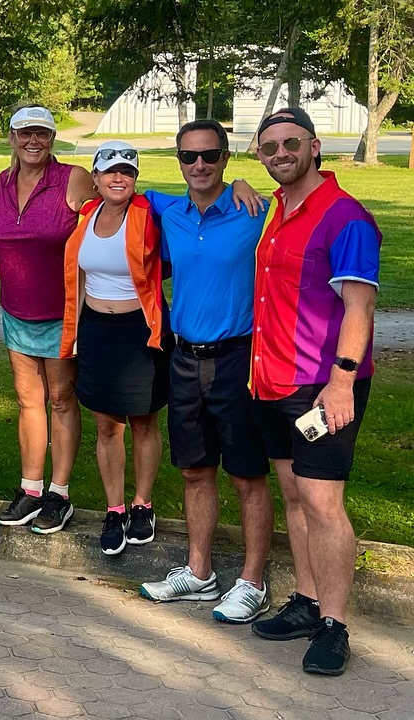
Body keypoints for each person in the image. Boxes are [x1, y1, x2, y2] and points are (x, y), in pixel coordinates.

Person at [247, 107, 380, 677]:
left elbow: (361, 306)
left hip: (322, 386)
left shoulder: (345, 218)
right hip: (270, 380)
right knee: (294, 494)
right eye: (270, 145)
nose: (281, 153)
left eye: (291, 143)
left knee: (324, 504)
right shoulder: (277, 209)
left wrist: (343, 379)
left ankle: (335, 625)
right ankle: (305, 602)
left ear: (315, 146)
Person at [138, 120, 274, 624]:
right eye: (189, 157)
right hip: (182, 357)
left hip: (237, 357)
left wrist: (244, 186)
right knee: (195, 469)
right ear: (178, 161)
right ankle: (199, 572)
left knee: (247, 474)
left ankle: (253, 580)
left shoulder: (251, 212)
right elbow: (99, 184)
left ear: (225, 159)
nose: (200, 165)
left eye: (211, 156)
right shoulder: (168, 209)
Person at [0, 104, 97, 532]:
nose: (34, 142)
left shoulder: (73, 178)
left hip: (62, 312)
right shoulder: (3, 182)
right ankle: (31, 489)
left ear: (52, 139)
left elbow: (116, 214)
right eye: (25, 134)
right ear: (11, 138)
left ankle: (59, 494)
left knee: (61, 399)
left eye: (42, 134)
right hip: (16, 311)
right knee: (27, 401)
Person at [61, 141, 168, 557]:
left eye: (126, 171)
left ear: (136, 177)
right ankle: (115, 508)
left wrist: (241, 186)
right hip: (97, 331)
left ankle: (143, 504)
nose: (117, 178)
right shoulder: (86, 214)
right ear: (96, 178)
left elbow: (196, 198)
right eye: (109, 171)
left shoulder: (148, 212)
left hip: (140, 331)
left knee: (142, 422)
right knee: (107, 425)